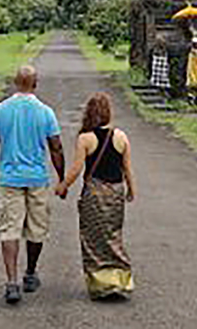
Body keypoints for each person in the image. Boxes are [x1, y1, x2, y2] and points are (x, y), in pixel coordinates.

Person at [0, 64, 65, 305]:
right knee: (37, 229)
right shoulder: (45, 112)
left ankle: (12, 282)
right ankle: (30, 273)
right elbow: (56, 147)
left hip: (10, 178)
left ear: (14, 82)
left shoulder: (0, 110)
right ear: (35, 84)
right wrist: (61, 177)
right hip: (37, 178)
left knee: (10, 228)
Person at [55, 91, 136, 300]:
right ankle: (120, 280)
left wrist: (63, 186)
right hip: (116, 192)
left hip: (94, 193)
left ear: (89, 113)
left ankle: (100, 285)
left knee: (92, 238)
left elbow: (76, 169)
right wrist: (131, 190)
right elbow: (127, 168)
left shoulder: (85, 139)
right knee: (113, 235)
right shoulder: (121, 136)